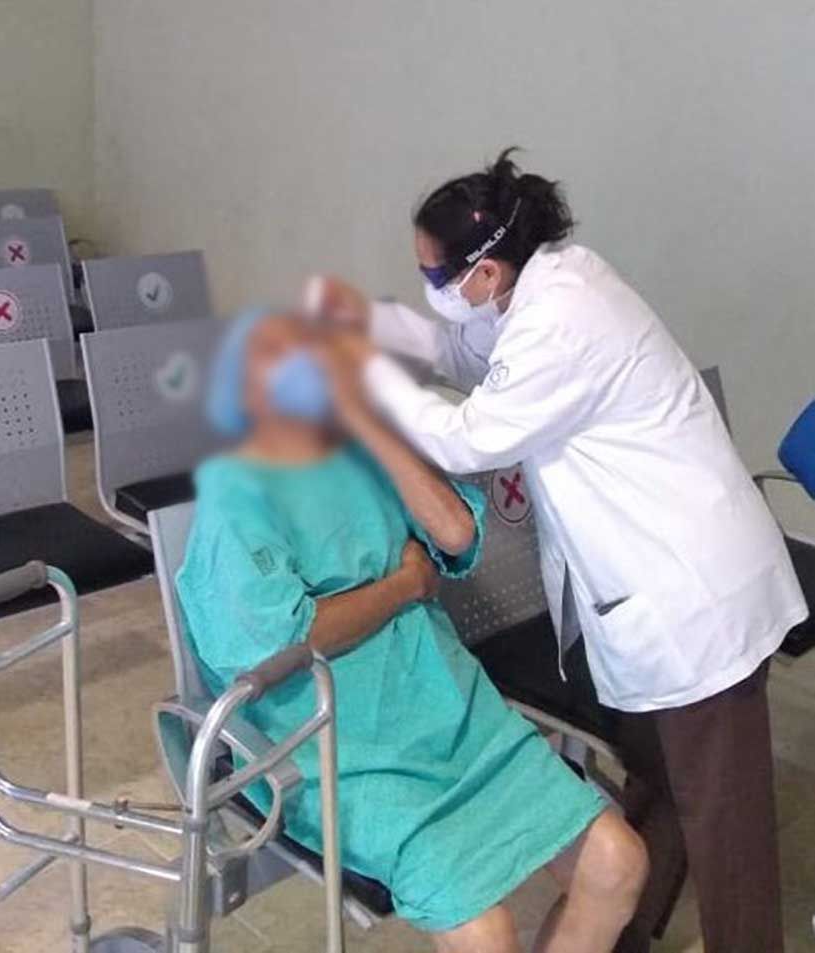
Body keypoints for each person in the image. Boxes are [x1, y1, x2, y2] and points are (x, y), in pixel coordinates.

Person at [311, 149, 808, 953]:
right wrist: (377, 327)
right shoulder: (546, 284)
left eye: (434, 273)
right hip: (671, 574)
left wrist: (367, 389)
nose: (431, 286)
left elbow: (471, 437)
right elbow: (475, 354)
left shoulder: (565, 316)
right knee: (668, 779)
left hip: (692, 591)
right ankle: (624, 927)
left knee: (724, 821)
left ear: (485, 269)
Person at [176, 309, 647, 953]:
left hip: (452, 714)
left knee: (618, 863)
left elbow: (453, 532)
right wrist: (402, 585)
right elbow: (284, 642)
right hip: (337, 749)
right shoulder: (238, 498)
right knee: (485, 931)